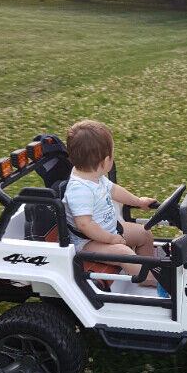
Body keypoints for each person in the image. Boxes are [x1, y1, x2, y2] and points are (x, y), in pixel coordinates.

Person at [63, 119, 157, 286]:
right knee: (122, 253)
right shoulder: (79, 190)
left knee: (144, 233)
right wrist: (110, 239)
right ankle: (151, 280)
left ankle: (149, 269)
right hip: (88, 243)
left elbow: (113, 190)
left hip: (109, 229)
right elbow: (84, 225)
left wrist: (138, 201)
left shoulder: (94, 176)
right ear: (104, 162)